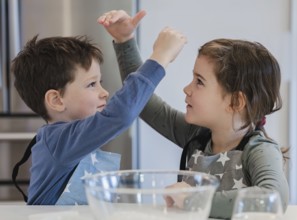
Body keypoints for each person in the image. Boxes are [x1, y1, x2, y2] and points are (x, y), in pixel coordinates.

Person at [98, 10, 289, 219]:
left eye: (199, 81)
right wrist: (125, 41)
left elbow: (274, 197)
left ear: (236, 101)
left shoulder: (259, 150)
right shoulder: (196, 137)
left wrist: (194, 198)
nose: (187, 89)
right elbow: (142, 101)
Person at [11, 25, 187, 205]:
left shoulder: (71, 138)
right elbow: (120, 114)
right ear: (56, 100)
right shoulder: (59, 140)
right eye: (91, 84)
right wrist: (160, 57)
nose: (104, 93)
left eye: (99, 82)